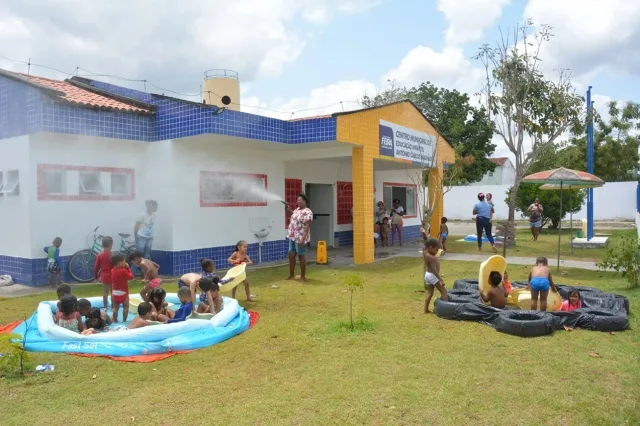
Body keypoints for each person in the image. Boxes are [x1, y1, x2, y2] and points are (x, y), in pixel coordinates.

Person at [285, 193, 313, 282]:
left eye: (299, 200)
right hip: (292, 236)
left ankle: (303, 277)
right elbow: (290, 215)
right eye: (297, 200)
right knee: (291, 255)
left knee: (301, 256)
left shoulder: (308, 212)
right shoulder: (297, 210)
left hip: (300, 237)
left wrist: (303, 238)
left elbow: (307, 225)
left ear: (304, 201)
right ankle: (291, 275)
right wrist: (287, 207)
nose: (298, 201)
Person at [423, 238, 448, 313]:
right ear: (430, 247)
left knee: (430, 293)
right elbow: (434, 270)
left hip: (427, 275)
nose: (437, 252)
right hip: (433, 276)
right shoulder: (432, 257)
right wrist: (440, 279)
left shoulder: (425, 252)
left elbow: (426, 241)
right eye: (436, 250)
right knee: (443, 291)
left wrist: (424, 234)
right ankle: (446, 310)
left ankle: (426, 310)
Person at [110, 253, 133, 323]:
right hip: (124, 293)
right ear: (120, 263)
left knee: (115, 308)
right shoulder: (123, 271)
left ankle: (115, 320)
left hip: (115, 293)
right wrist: (128, 268)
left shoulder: (112, 271)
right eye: (124, 261)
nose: (125, 263)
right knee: (126, 307)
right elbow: (131, 277)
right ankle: (124, 321)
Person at [94, 236, 114, 311]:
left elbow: (96, 267)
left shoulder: (99, 255)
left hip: (104, 276)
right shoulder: (113, 255)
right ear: (111, 244)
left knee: (105, 292)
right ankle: (113, 306)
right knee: (113, 292)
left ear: (102, 245)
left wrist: (96, 277)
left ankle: (105, 307)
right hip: (113, 276)